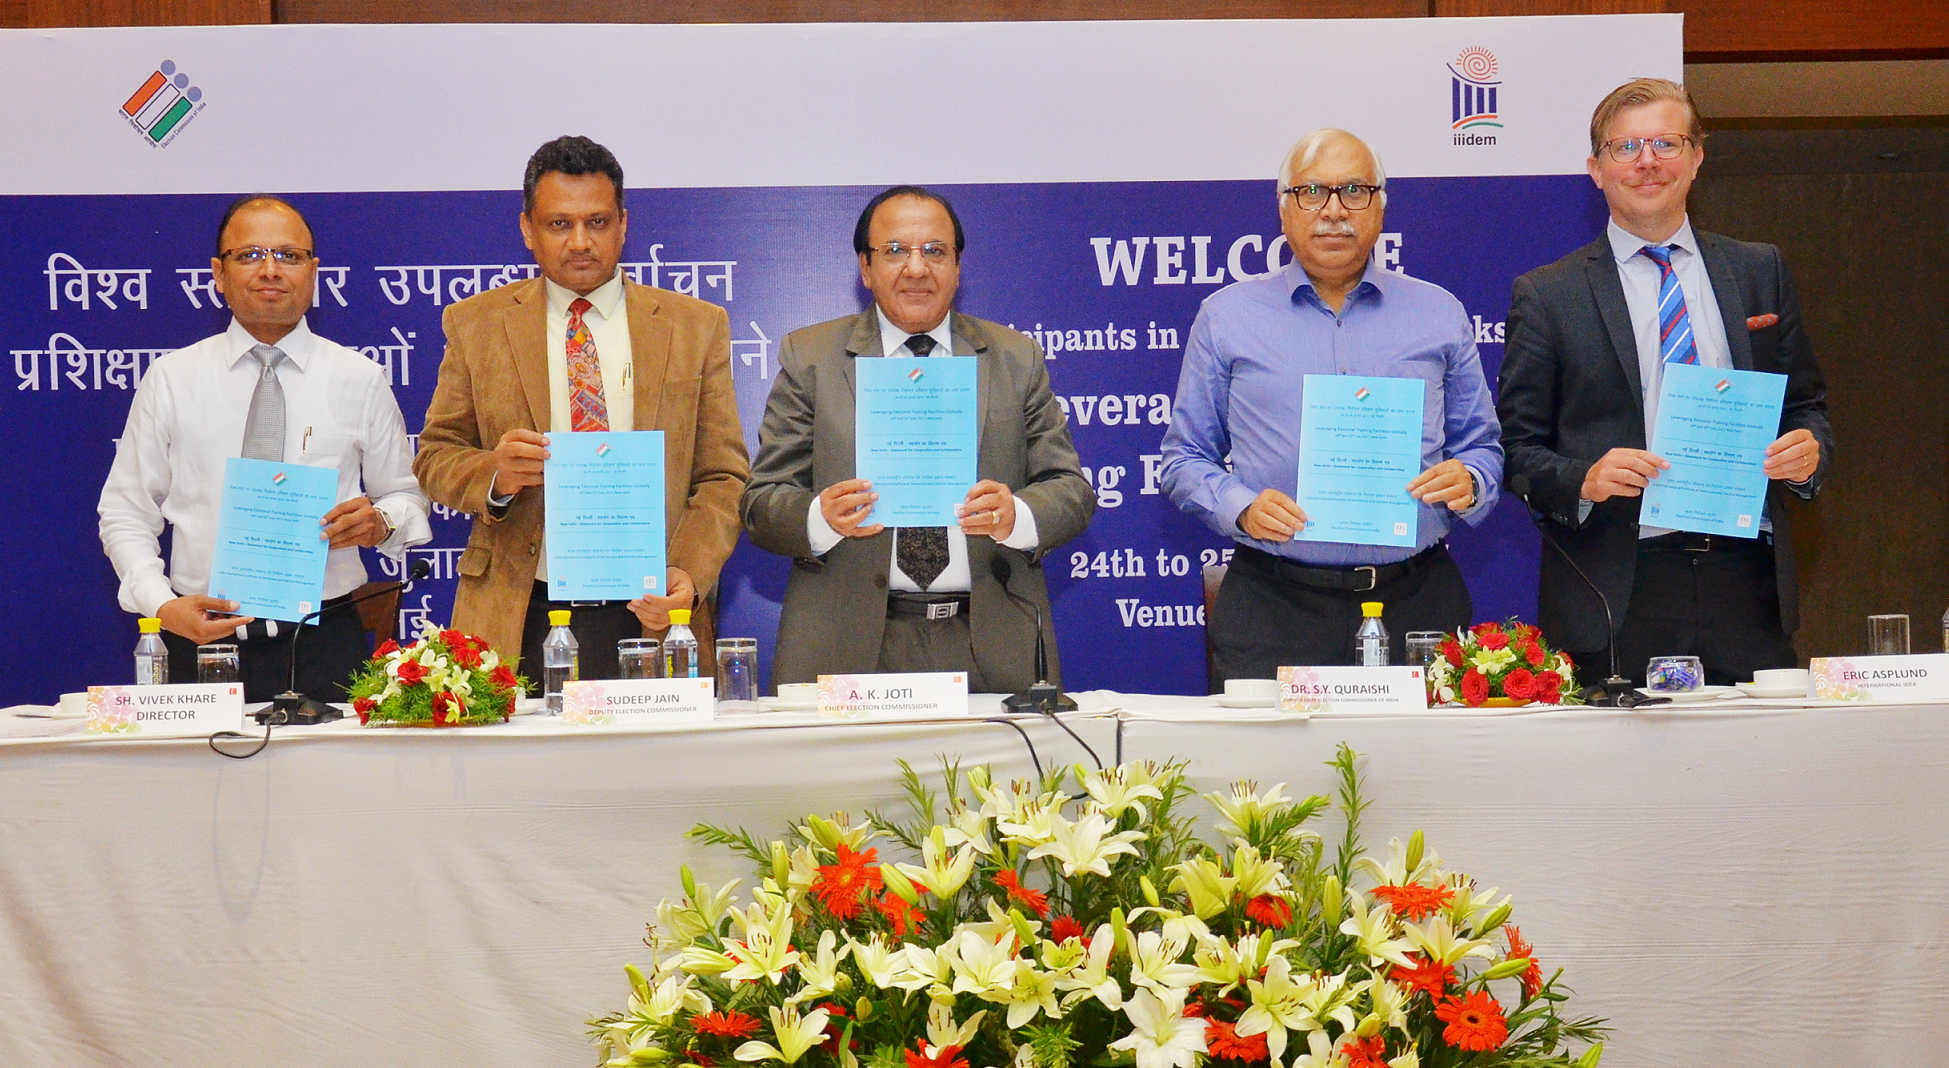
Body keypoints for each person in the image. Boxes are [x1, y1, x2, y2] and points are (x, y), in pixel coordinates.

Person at [1497, 78, 1832, 687]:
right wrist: (1585, 478)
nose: (1647, 161)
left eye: (1666, 142)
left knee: (1759, 775)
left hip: (1748, 581)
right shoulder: (1548, 295)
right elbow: (1514, 452)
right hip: (1619, 590)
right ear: (1595, 169)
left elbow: (1806, 404)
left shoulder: (1760, 269)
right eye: (1625, 147)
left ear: (1698, 157)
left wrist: (1808, 452)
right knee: (1620, 784)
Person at [1160, 129, 1503, 683]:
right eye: (1312, 192)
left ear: (1381, 205)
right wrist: (1241, 505)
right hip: (1275, 605)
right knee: (1277, 771)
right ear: (1284, 208)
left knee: (1425, 770)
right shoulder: (1227, 317)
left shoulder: (1438, 313)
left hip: (1417, 599)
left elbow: (1483, 445)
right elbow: (1183, 460)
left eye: (1354, 190)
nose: (1334, 211)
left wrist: (1471, 480)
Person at [415, 136, 748, 683]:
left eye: (596, 222)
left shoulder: (696, 326)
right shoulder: (477, 324)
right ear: (527, 229)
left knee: (654, 772)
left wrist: (686, 571)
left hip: (652, 612)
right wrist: (495, 474)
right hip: (521, 608)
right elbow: (435, 458)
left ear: (623, 224)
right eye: (558, 224)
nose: (579, 242)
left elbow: (724, 474)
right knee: (521, 772)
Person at [741, 186, 1094, 693]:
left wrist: (1018, 514)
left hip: (992, 639)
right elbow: (761, 503)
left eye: (934, 251)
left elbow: (1070, 489)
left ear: (956, 266)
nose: (916, 268)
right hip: (846, 642)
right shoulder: (812, 357)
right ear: (865, 268)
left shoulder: (1015, 357)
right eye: (895, 251)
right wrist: (821, 516)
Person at [99, 195, 432, 702]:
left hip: (325, 640)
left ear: (314, 271)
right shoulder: (173, 379)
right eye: (250, 255)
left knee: (336, 783)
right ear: (218, 272)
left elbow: (408, 496)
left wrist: (380, 522)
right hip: (201, 636)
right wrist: (162, 606)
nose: (270, 270)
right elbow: (124, 512)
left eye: (289, 256)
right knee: (198, 784)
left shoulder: (358, 378)